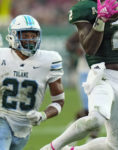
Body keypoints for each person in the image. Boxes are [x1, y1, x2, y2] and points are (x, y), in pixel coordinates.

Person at [40, 0, 118, 149]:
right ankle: (51, 147)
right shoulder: (86, 8)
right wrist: (100, 20)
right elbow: (90, 49)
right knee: (96, 119)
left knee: (117, 145)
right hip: (101, 75)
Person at [0, 14, 65, 150]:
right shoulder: (2, 56)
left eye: (33, 36)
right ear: (13, 36)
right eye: (26, 35)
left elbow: (58, 102)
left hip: (24, 128)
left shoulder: (49, 61)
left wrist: (42, 115)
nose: (30, 40)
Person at [66, 32, 101, 141]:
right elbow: (68, 44)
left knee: (97, 108)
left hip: (99, 72)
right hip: (84, 72)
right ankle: (73, 128)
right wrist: (76, 50)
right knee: (88, 109)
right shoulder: (83, 31)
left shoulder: (104, 31)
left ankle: (92, 138)